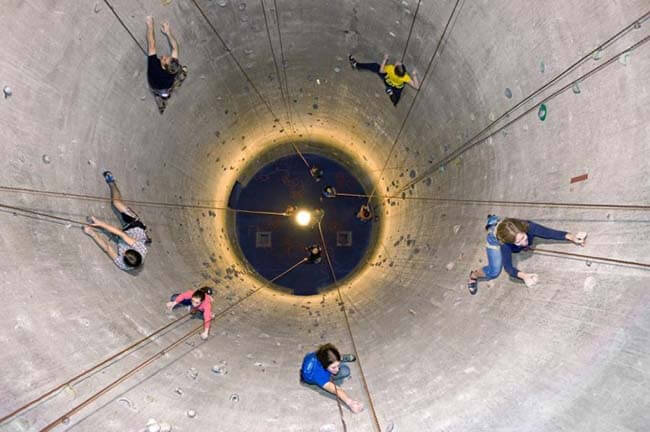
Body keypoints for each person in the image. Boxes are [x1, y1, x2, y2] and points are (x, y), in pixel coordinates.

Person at [467, 215, 588, 295]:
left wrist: (571, 237)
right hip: (495, 239)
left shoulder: (527, 225)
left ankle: (495, 221)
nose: (523, 242)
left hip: (508, 230)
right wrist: (523, 275)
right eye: (518, 242)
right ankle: (473, 275)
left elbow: (548, 232)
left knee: (525, 244)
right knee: (494, 272)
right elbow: (508, 267)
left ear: (522, 229)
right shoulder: (505, 244)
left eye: (523, 237)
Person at [84, 171, 150, 272]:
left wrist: (92, 233)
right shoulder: (140, 248)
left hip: (121, 237)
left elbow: (107, 248)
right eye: (127, 251)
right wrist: (100, 223)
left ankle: (99, 228)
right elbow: (121, 234)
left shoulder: (124, 265)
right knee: (116, 202)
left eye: (123, 255)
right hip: (135, 225)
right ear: (134, 250)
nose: (123, 252)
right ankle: (112, 183)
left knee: (107, 232)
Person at [300, 344, 363, 413]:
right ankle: (339, 359)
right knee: (345, 371)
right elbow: (336, 390)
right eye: (334, 367)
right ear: (324, 366)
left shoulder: (320, 355)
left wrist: (334, 366)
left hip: (313, 359)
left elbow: (324, 353)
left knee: (332, 358)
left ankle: (338, 359)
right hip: (312, 374)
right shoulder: (319, 376)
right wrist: (350, 403)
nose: (337, 369)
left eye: (338, 365)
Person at [146, 16, 186, 113]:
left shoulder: (154, 67)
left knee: (161, 93)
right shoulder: (173, 65)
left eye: (164, 59)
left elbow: (151, 44)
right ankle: (165, 96)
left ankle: (161, 100)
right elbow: (175, 47)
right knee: (168, 91)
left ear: (164, 67)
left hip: (156, 86)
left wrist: (150, 25)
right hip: (168, 85)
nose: (164, 56)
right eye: (167, 56)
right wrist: (168, 32)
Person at [349, 53, 419, 106]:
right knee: (396, 99)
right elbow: (416, 87)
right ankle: (391, 93)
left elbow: (381, 71)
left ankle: (356, 65)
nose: (398, 62)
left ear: (394, 68)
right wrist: (414, 75)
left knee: (374, 66)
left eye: (397, 64)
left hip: (387, 80)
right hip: (397, 87)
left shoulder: (390, 68)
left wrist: (385, 59)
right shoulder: (405, 77)